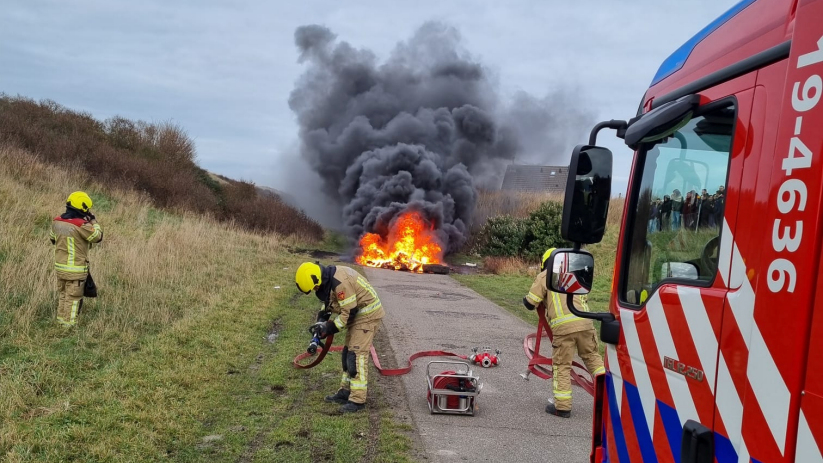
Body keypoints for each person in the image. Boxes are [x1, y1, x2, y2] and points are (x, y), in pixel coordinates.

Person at [523, 248, 605, 418]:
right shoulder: (573, 274)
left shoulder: (545, 275)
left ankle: (562, 407)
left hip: (564, 328)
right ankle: (609, 397)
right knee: (593, 359)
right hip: (585, 322)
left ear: (545, 263)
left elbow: (530, 303)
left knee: (562, 365)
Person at [295, 262, 384, 413]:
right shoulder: (327, 279)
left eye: (315, 287)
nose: (316, 290)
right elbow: (330, 302)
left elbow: (348, 313)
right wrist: (321, 320)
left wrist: (329, 328)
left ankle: (358, 400)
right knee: (346, 354)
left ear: (317, 279)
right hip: (358, 315)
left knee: (356, 355)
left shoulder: (340, 282)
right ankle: (345, 391)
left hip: (367, 316)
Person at [50, 191, 103, 327]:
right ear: (82, 207)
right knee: (73, 298)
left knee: (63, 295)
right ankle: (69, 326)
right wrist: (94, 222)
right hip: (76, 269)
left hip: (60, 267)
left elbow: (52, 239)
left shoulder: (57, 221)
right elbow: (97, 236)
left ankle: (61, 321)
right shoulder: (81, 225)